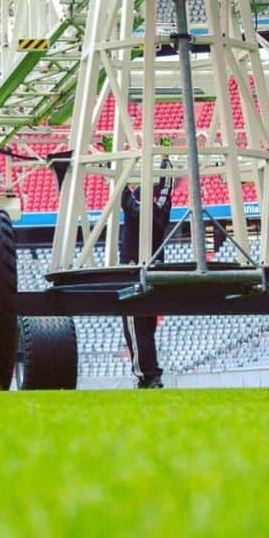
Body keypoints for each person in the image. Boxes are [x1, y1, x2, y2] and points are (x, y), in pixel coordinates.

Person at [120, 157, 174, 389]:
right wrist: (166, 165)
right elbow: (166, 190)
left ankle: (146, 375)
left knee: (135, 327)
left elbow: (122, 194)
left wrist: (116, 168)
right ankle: (152, 374)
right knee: (147, 329)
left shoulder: (135, 211)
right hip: (155, 275)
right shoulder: (161, 212)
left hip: (133, 275)